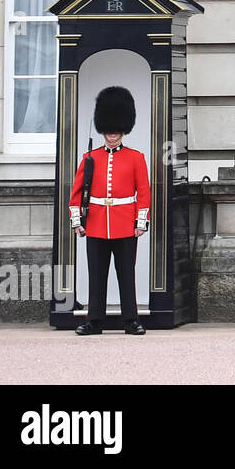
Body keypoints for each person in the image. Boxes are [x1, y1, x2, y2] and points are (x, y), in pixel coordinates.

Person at [69, 86, 149, 336]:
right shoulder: (90, 157)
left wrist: (141, 222)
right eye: (108, 131)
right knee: (97, 274)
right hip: (95, 223)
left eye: (116, 131)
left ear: (123, 130)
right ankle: (94, 321)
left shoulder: (136, 157)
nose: (112, 135)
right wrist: (77, 221)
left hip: (125, 223)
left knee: (126, 274)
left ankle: (131, 320)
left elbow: (143, 192)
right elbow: (77, 191)